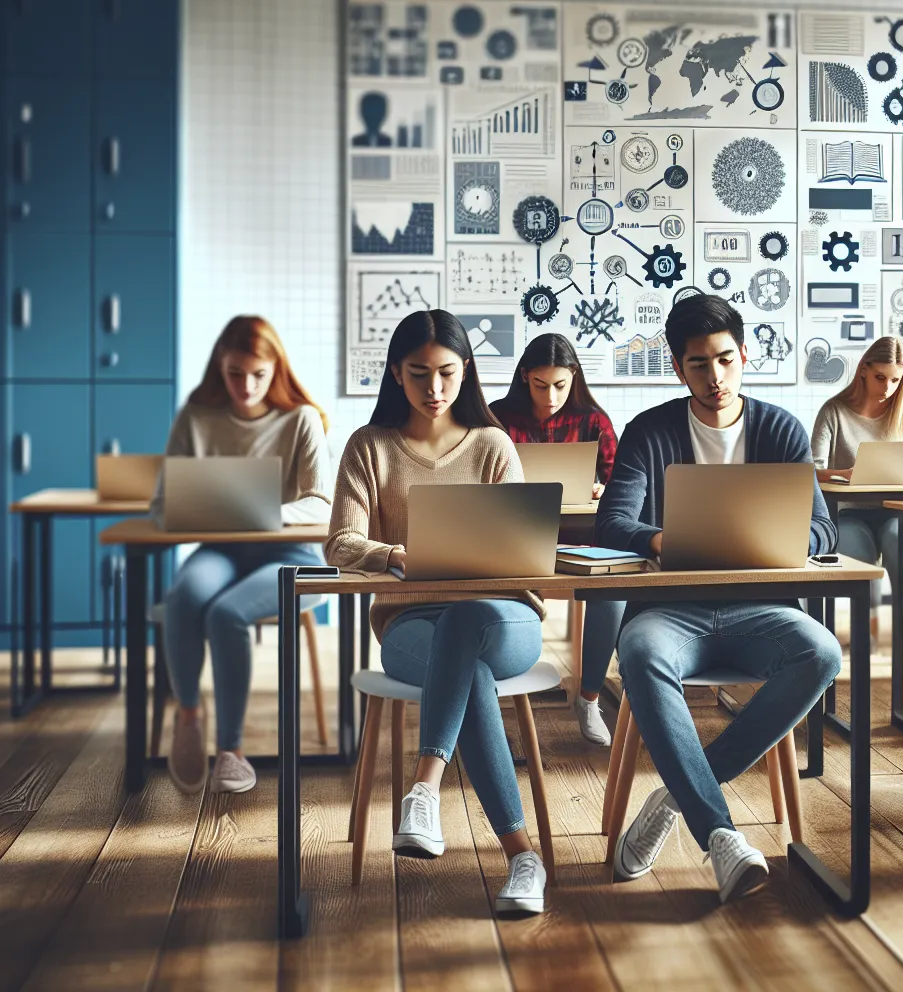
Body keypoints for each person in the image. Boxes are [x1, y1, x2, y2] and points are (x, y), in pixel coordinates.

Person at [600, 294, 840, 903]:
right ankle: (721, 835)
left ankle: (682, 791)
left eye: (726, 360)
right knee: (642, 654)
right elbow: (612, 524)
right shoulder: (650, 431)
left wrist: (774, 538)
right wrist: (665, 539)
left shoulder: (780, 429)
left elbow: (823, 530)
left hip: (761, 607)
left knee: (821, 653)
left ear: (744, 355)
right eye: (699, 364)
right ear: (678, 369)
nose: (715, 377)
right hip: (668, 608)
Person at [326, 310, 549, 916]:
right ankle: (524, 860)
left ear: (466, 371)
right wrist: (396, 554)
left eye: (447, 373)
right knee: (464, 664)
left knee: (469, 620)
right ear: (396, 374)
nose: (434, 389)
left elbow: (528, 551)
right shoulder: (369, 447)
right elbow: (339, 543)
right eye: (418, 374)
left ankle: (424, 787)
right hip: (409, 626)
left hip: (505, 620)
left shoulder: (493, 445)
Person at [153, 316, 332, 797]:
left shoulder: (301, 419)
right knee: (185, 597)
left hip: (292, 553)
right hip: (222, 550)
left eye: (259, 374)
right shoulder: (197, 416)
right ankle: (188, 715)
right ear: (220, 366)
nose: (246, 386)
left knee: (226, 613)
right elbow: (161, 503)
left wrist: (263, 511)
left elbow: (322, 502)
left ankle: (230, 749)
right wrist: (196, 509)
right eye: (235, 374)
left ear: (277, 369)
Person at [489, 332, 621, 747]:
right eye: (540, 385)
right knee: (486, 593)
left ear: (574, 378)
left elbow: (623, 482)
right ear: (525, 377)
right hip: (515, 538)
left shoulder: (593, 421)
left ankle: (589, 697)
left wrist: (604, 489)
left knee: (613, 593)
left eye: (560, 386)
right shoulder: (497, 417)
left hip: (582, 540)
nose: (550, 397)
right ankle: (489, 704)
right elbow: (477, 483)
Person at [811, 337, 903, 620]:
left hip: (895, 513)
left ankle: (900, 634)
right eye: (880, 377)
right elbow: (809, 469)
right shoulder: (834, 411)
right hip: (849, 513)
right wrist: (844, 474)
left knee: (898, 548)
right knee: (863, 570)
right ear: (863, 370)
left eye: (895, 380)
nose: (887, 388)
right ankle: (866, 631)